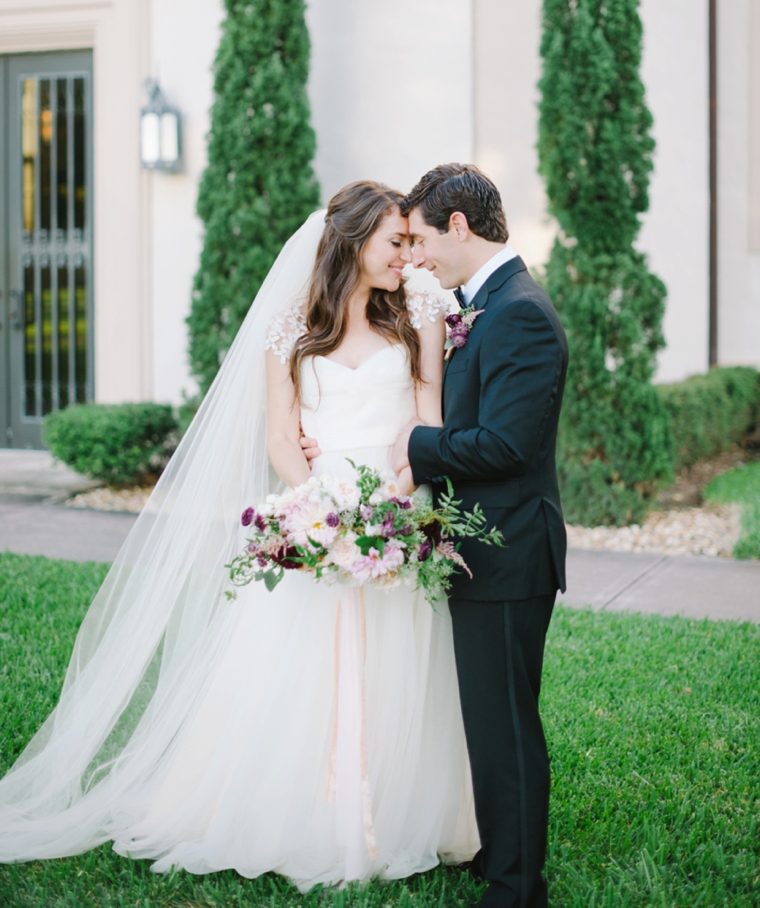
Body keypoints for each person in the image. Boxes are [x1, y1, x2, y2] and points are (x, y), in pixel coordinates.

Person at [0, 181, 478, 889]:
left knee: (397, 661)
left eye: (412, 241)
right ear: (351, 242)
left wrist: (390, 504)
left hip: (398, 504)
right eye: (395, 241)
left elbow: (428, 418)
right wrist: (319, 506)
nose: (408, 254)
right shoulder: (290, 327)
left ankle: (393, 811)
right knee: (300, 666)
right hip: (315, 513)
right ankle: (294, 809)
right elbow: (281, 435)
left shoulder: (418, 317)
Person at [390, 164, 568, 908]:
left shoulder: (519, 311)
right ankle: (502, 851)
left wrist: (418, 444)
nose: (419, 254)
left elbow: (505, 446)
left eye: (423, 237)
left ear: (458, 226)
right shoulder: (487, 303)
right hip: (485, 548)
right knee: (490, 718)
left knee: (506, 728)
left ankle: (515, 887)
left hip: (508, 550)